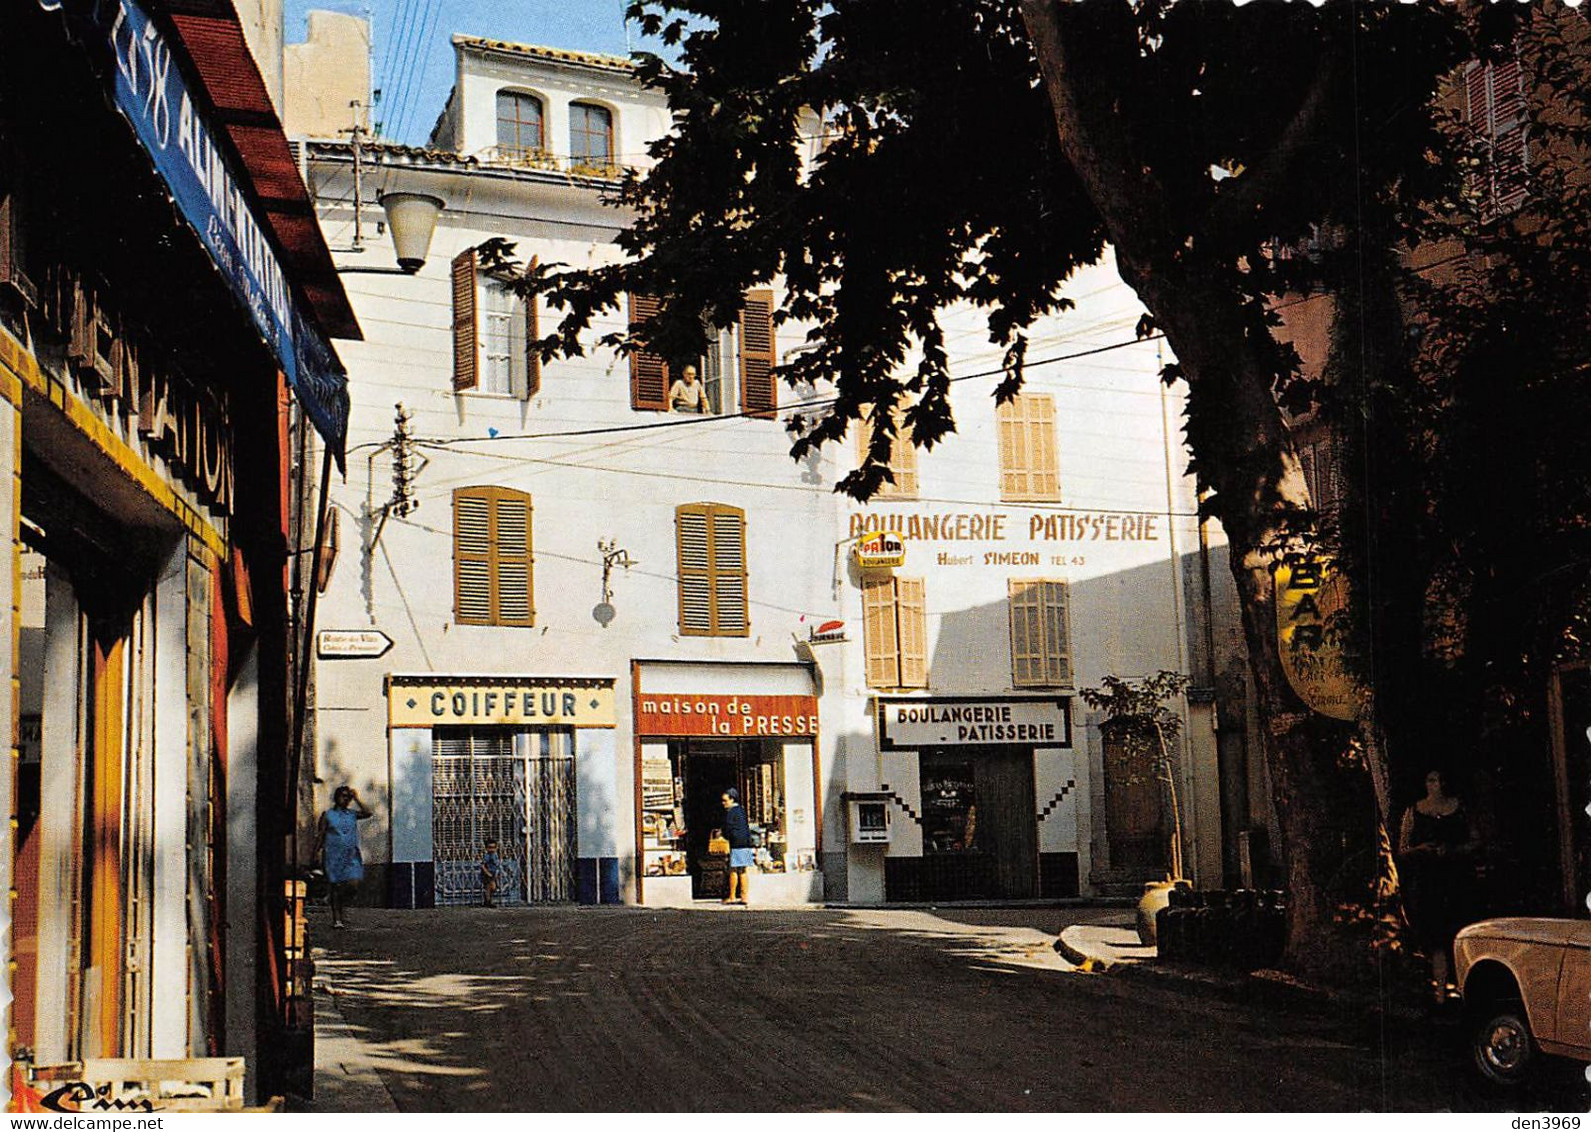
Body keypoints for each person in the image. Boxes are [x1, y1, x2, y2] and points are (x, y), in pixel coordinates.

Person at [1398, 768, 1480, 1001]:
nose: (1438, 785)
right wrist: (1421, 850)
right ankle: (1441, 991)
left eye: (1441, 780)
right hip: (1428, 880)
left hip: (1456, 878)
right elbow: (1402, 848)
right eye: (1432, 780)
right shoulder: (1415, 811)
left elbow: (1475, 840)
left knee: (1458, 932)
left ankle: (1463, 989)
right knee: (1434, 937)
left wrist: (1453, 851)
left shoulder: (1460, 808)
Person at [315, 785, 373, 929]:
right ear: (336, 797)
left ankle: (339, 904)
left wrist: (357, 798)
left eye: (348, 797)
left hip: (351, 856)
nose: (345, 799)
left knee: (353, 885)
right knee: (335, 887)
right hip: (333, 856)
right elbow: (321, 835)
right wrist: (315, 853)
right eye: (343, 796)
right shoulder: (328, 815)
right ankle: (337, 918)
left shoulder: (352, 814)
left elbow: (368, 813)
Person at [720, 788, 754, 905]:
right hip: (746, 842)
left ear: (732, 799)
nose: (723, 803)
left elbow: (727, 829)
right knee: (743, 870)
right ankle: (744, 896)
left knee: (733, 869)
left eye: (725, 800)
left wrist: (726, 837)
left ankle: (732, 896)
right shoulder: (741, 810)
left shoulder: (731, 812)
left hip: (736, 843)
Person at [480, 838, 500, 908]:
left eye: (494, 847)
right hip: (488, 874)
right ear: (487, 848)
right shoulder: (487, 856)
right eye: (490, 848)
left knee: (492, 888)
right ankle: (488, 901)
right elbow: (482, 865)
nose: (492, 849)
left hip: (494, 873)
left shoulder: (495, 855)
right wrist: (487, 872)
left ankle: (488, 901)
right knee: (490, 887)